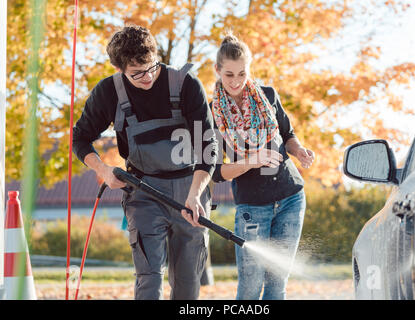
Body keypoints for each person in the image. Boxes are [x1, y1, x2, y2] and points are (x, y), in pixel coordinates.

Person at [72, 25, 218, 300]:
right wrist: (104, 170)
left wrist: (196, 195)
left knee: (188, 283)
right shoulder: (108, 92)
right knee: (149, 278)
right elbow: (80, 138)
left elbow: (208, 148)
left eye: (151, 67)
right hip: (143, 191)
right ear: (119, 69)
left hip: (190, 190)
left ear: (156, 55)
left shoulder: (186, 84)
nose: (147, 77)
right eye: (136, 73)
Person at [209, 33, 315, 300]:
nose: (236, 81)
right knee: (250, 288)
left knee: (277, 283)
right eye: (229, 74)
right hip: (252, 207)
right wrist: (251, 161)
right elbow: (216, 171)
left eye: (242, 74)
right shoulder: (211, 113)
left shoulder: (268, 95)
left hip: (291, 197)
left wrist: (299, 150)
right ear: (217, 70)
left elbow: (288, 134)